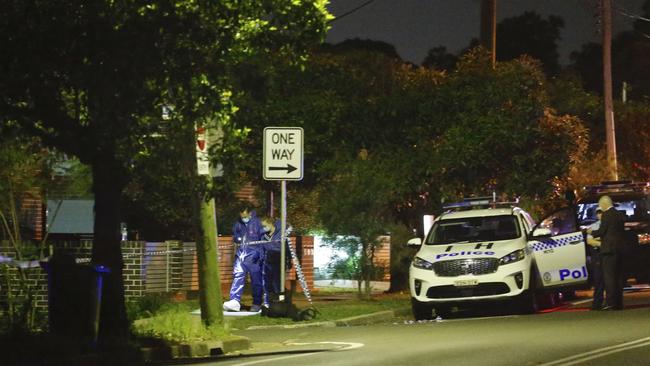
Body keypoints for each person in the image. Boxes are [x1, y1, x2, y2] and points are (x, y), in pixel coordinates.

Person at [223, 206, 265, 312]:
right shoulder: (238, 223)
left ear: (250, 213)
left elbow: (264, 239)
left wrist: (260, 254)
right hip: (241, 254)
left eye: (245, 216)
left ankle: (257, 302)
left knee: (256, 280)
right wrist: (237, 239)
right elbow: (235, 235)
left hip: (254, 255)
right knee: (238, 276)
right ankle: (234, 301)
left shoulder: (258, 223)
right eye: (242, 216)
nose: (243, 218)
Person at [588, 196, 626, 311]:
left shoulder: (606, 215)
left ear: (604, 204)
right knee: (618, 277)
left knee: (609, 277)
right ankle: (619, 303)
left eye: (601, 205)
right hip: (619, 249)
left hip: (608, 250)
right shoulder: (619, 214)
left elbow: (602, 231)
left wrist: (591, 232)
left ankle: (611, 303)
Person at [259, 217, 290, 306]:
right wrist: (261, 260)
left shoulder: (281, 234)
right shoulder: (264, 236)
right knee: (267, 284)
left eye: (264, 226)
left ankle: (282, 302)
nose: (263, 228)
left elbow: (287, 247)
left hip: (278, 260)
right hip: (267, 261)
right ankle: (268, 303)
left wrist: (289, 259)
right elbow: (262, 248)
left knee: (278, 284)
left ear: (270, 224)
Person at [586, 209, 604, 310]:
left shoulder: (608, 225)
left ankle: (611, 303)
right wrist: (602, 243)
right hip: (597, 255)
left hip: (606, 254)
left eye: (602, 212)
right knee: (598, 280)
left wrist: (597, 241)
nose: (600, 214)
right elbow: (589, 241)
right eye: (599, 213)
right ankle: (597, 303)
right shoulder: (593, 226)